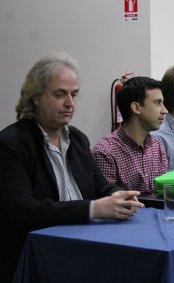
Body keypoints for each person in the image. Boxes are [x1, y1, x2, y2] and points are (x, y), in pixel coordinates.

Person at [0, 52, 144, 282]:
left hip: (83, 244)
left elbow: (100, 185)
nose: (70, 103)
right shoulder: (11, 143)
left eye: (74, 95)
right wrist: (93, 209)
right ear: (35, 96)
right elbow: (23, 210)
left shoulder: (77, 138)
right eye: (60, 94)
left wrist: (119, 195)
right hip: (37, 258)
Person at [92, 76, 168, 195]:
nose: (164, 110)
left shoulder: (157, 147)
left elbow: (163, 194)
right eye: (158, 103)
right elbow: (108, 205)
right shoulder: (105, 152)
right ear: (137, 108)